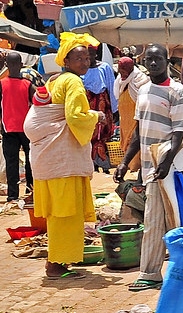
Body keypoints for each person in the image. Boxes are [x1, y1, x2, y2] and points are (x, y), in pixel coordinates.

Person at [24, 32, 103, 279]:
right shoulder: (73, 83)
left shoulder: (56, 80)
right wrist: (96, 116)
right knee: (66, 213)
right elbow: (75, 116)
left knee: (59, 212)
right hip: (62, 160)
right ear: (66, 61)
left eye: (87, 58)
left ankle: (60, 259)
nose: (85, 63)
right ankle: (57, 263)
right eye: (78, 58)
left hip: (50, 158)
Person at [114, 44, 183, 292]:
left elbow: (179, 132)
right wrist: (125, 162)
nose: (153, 63)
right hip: (148, 166)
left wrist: (167, 162)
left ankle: (150, 272)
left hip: (166, 165)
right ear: (143, 62)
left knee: (155, 220)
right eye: (149, 59)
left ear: (167, 61)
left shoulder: (177, 91)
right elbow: (138, 130)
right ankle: (165, 271)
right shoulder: (143, 89)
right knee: (160, 220)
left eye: (158, 59)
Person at [1, 53, 35, 202]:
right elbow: (37, 103)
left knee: (12, 162)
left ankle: (13, 195)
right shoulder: (28, 85)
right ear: (22, 65)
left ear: (6, 66)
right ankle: (30, 189)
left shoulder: (1, 83)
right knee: (30, 160)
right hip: (26, 129)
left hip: (8, 129)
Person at [83, 44, 117, 172]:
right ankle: (91, 163)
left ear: (95, 54)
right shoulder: (81, 69)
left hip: (102, 104)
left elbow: (111, 86)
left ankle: (103, 162)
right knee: (89, 133)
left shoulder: (104, 67)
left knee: (103, 133)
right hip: (87, 104)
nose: (89, 58)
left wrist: (115, 109)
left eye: (91, 54)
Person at [112, 57, 150, 172]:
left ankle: (136, 168)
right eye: (120, 71)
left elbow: (144, 99)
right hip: (125, 118)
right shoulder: (120, 80)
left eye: (123, 72)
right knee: (126, 141)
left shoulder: (140, 80)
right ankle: (129, 166)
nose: (121, 74)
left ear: (129, 69)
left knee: (135, 139)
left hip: (136, 117)